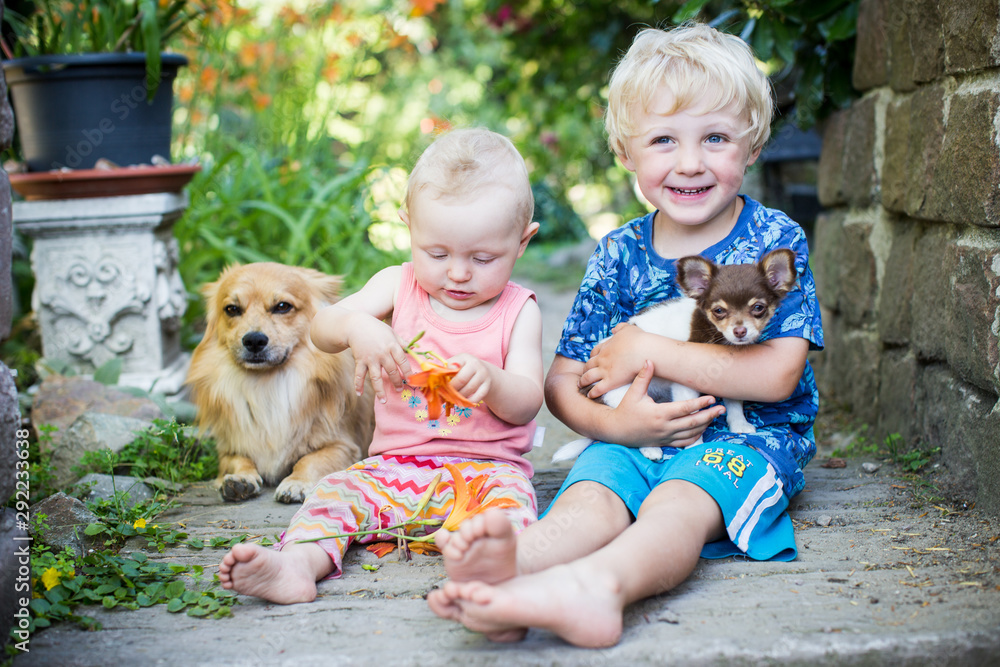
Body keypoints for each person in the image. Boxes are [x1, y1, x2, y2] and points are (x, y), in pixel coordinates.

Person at [427, 23, 824, 648]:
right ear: (625, 151)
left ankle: (600, 589)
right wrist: (619, 427)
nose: (689, 162)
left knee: (678, 507)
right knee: (589, 496)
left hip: (747, 442)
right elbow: (563, 382)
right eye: (663, 139)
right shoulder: (618, 253)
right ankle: (512, 571)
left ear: (751, 146)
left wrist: (651, 350)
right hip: (629, 435)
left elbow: (777, 376)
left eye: (715, 137)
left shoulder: (774, 240)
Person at [218, 127, 544, 603]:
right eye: (437, 253)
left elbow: (528, 402)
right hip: (395, 468)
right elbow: (321, 328)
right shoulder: (397, 285)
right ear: (409, 228)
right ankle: (297, 565)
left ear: (522, 242)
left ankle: (488, 577)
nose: (457, 272)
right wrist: (356, 327)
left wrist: (493, 381)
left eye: (483, 258)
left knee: (511, 512)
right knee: (335, 493)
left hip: (487, 472)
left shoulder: (519, 310)